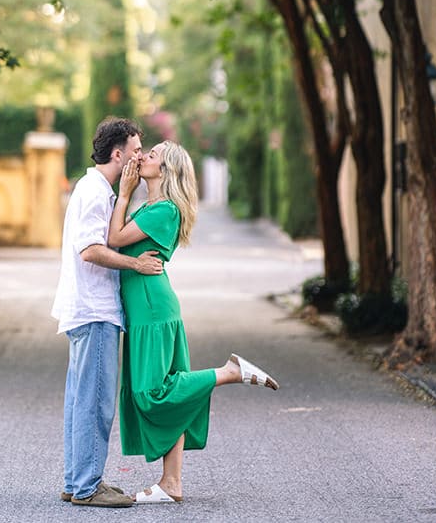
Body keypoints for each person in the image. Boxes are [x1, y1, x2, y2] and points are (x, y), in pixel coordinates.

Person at [107, 139, 280, 504]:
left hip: (152, 312)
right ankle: (171, 483)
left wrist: (123, 193)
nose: (142, 157)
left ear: (165, 170)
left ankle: (228, 372)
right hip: (149, 310)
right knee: (173, 389)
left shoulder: (165, 210)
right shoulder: (153, 205)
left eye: (150, 155)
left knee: (152, 393)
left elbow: (114, 239)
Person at [51, 117, 162, 508]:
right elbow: (91, 250)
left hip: (89, 311)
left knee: (82, 399)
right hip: (94, 312)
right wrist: (137, 265)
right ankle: (86, 487)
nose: (139, 156)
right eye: (135, 151)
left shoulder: (97, 189)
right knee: (95, 402)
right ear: (118, 154)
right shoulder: (96, 191)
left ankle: (78, 479)